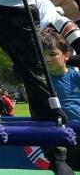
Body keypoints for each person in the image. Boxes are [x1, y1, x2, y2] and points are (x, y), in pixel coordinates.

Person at [42, 29, 80, 171]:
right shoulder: (40, 81)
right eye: (43, 55)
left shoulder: (76, 77)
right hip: (56, 138)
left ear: (66, 55)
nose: (47, 59)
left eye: (53, 54)